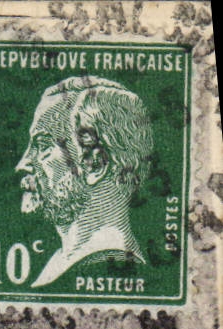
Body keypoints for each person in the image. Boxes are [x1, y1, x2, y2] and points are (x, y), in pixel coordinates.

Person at [15, 75, 154, 288]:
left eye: (42, 146)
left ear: (95, 164)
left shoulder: (100, 265)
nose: (23, 165)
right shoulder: (62, 262)